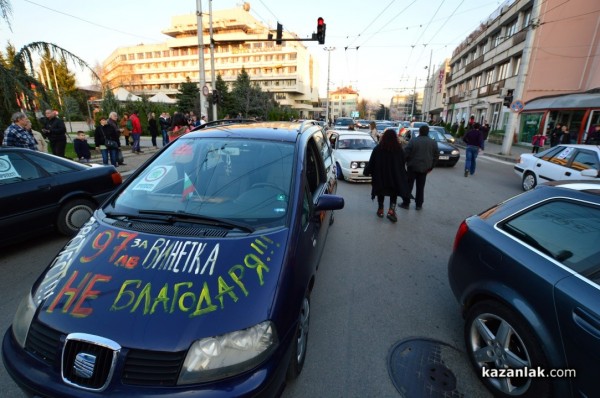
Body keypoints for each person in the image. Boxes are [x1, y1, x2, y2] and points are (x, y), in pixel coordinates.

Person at [363, 128, 410, 222]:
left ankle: (380, 210)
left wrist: (366, 171)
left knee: (381, 192)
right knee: (394, 193)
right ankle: (391, 210)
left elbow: (372, 162)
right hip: (394, 177)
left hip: (381, 177)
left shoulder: (378, 149)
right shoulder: (399, 150)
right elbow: (403, 163)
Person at [400, 125, 438, 210]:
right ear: (428, 132)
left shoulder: (413, 141)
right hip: (424, 168)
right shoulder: (433, 142)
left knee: (409, 185)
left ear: (420, 132)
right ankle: (419, 205)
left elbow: (406, 153)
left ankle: (406, 203)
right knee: (420, 187)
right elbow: (436, 156)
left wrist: (403, 163)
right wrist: (431, 167)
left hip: (412, 167)